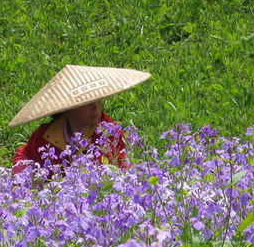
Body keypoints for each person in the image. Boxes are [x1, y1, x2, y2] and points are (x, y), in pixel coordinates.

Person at [8, 65, 150, 177]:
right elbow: (26, 154)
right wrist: (25, 176)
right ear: (69, 107)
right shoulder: (45, 134)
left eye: (98, 99)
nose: (95, 107)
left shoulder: (110, 133)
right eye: (87, 102)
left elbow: (111, 172)